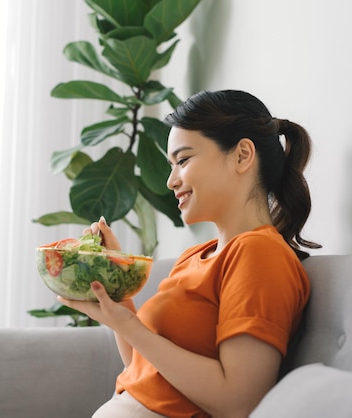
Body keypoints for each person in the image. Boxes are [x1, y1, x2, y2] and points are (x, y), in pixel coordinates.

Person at [58, 89, 321, 418]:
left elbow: (239, 402)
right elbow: (147, 373)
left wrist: (129, 324)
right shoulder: (196, 256)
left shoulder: (259, 254)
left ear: (242, 155)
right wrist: (116, 288)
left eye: (182, 160)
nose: (170, 181)